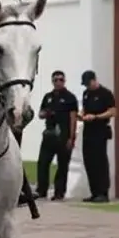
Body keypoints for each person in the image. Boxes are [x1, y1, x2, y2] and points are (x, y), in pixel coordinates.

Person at [36, 70, 78, 200]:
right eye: (56, 80)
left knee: (62, 165)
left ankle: (59, 192)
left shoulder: (70, 97)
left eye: (61, 80)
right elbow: (40, 114)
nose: (58, 82)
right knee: (43, 163)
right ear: (52, 82)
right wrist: (46, 113)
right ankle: (41, 190)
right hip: (49, 134)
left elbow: (73, 118)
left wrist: (71, 137)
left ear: (64, 81)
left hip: (63, 135)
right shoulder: (48, 97)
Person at [79, 69, 116, 203]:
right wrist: (81, 115)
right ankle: (94, 192)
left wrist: (96, 117)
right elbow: (84, 108)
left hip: (100, 129)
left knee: (100, 161)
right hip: (88, 130)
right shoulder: (86, 94)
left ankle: (103, 192)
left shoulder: (105, 93)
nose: (87, 86)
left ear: (94, 80)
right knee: (89, 161)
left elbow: (112, 111)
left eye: (88, 83)